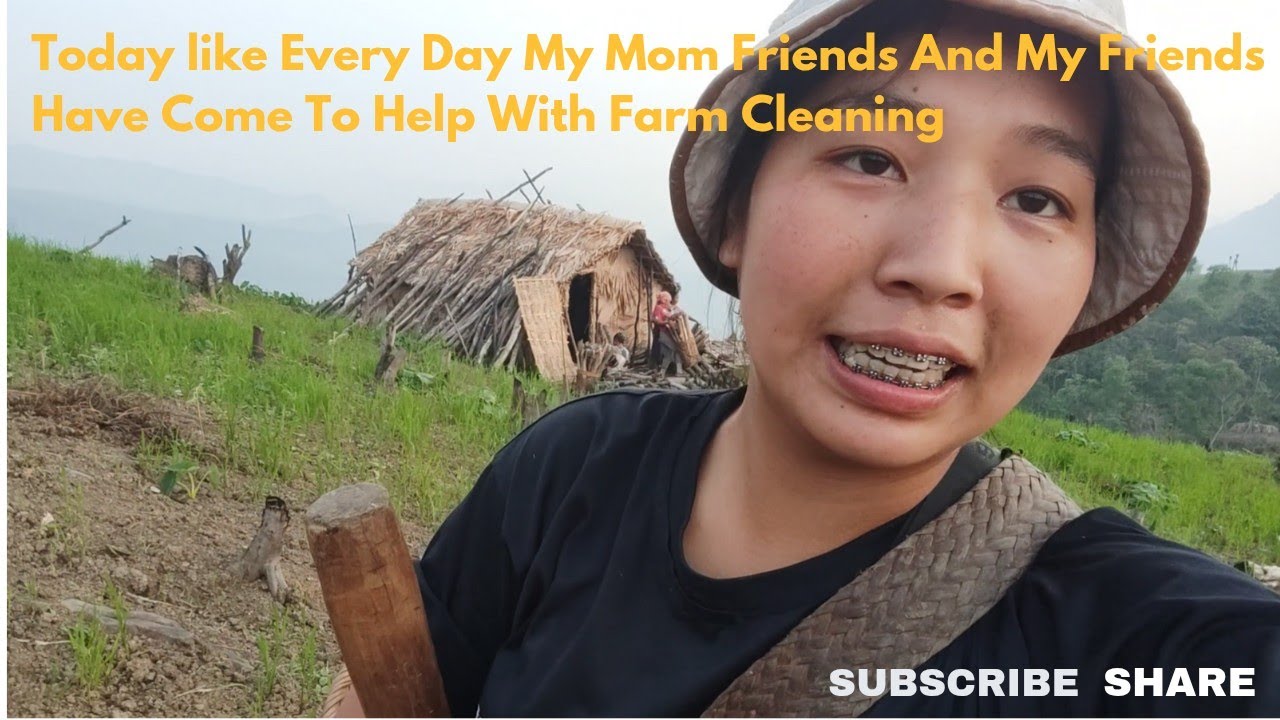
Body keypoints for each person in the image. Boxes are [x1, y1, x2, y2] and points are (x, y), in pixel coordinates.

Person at [337, 0, 1280, 715]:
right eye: (870, 160)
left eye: (1036, 200)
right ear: (740, 209)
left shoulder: (1131, 637)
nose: (941, 270)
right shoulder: (573, 471)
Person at [651, 290, 685, 376]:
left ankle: (664, 372)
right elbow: (656, 321)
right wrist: (667, 322)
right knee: (675, 350)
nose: (669, 302)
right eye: (668, 300)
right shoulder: (659, 308)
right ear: (664, 300)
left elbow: (671, 316)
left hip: (668, 334)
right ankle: (677, 371)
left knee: (670, 353)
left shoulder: (666, 309)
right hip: (663, 334)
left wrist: (677, 314)